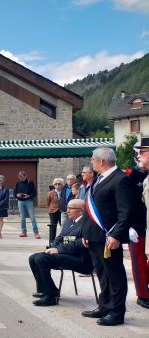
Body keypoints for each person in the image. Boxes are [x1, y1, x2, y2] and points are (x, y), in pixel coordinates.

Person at [81, 147, 134, 326]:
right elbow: (92, 208)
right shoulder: (99, 179)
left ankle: (117, 312)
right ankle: (104, 305)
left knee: (115, 275)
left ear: (102, 161)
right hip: (94, 236)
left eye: (93, 159)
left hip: (109, 237)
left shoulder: (120, 180)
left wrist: (117, 235)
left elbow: (125, 212)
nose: (91, 162)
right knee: (103, 274)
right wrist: (85, 232)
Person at [28, 199, 92, 306]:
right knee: (33, 258)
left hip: (81, 259)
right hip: (66, 254)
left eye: (71, 208)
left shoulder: (87, 223)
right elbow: (60, 238)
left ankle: (50, 297)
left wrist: (58, 249)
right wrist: (53, 248)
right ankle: (46, 290)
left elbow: (79, 244)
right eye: (67, 208)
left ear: (81, 211)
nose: (67, 211)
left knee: (41, 259)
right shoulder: (70, 221)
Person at [130, 137, 149, 309]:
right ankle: (142, 294)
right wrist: (127, 225)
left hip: (147, 224)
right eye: (140, 153)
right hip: (136, 226)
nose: (141, 156)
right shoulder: (131, 175)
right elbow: (125, 203)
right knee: (139, 261)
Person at [14, 171, 39, 239]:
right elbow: (14, 193)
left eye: (22, 177)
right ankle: (24, 232)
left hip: (29, 201)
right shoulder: (18, 183)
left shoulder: (30, 182)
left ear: (25, 176)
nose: (20, 178)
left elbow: (34, 193)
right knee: (22, 218)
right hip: (20, 202)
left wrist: (29, 196)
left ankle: (36, 232)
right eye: (19, 177)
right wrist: (17, 195)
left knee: (32, 217)